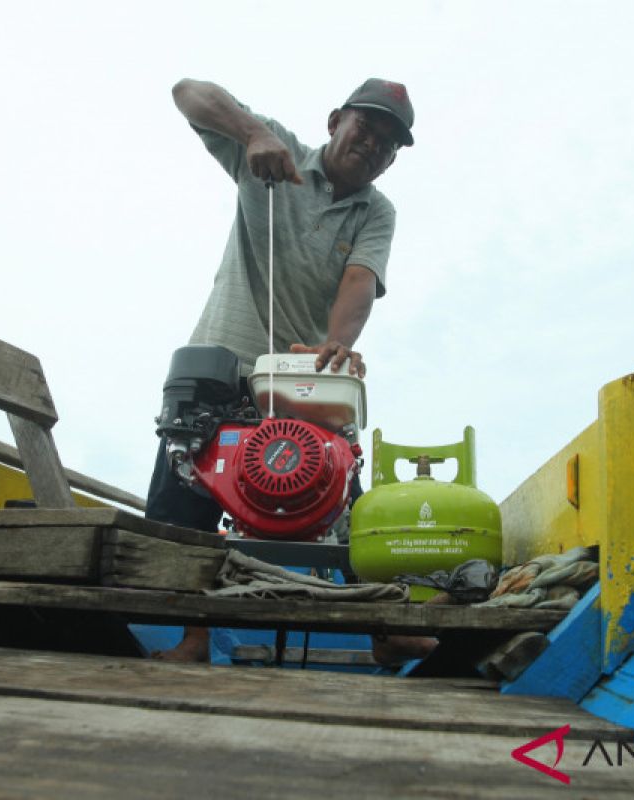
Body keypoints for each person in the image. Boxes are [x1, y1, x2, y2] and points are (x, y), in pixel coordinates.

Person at [147, 78, 433, 666]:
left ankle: (383, 629)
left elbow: (360, 281)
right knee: (183, 496)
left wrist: (336, 343)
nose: (374, 146)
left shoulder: (377, 211)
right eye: (367, 129)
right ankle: (192, 637)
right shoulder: (269, 150)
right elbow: (185, 93)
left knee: (345, 491)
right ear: (335, 121)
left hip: (304, 371)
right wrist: (251, 134)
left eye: (389, 144)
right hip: (226, 357)